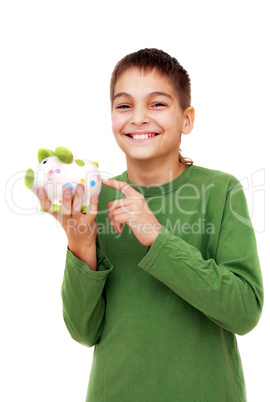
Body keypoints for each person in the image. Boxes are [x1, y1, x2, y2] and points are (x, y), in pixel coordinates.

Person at [38, 48, 264, 401]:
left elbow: (244, 312)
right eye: (124, 105)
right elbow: (83, 332)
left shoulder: (221, 191)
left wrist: (157, 237)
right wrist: (80, 245)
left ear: (186, 119)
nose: (139, 118)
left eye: (157, 104)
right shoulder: (94, 199)